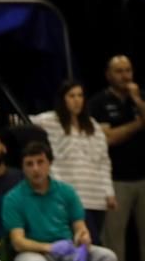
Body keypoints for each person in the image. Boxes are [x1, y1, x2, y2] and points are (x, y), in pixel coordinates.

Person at [87, 56, 145, 261]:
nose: (125, 76)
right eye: (119, 71)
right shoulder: (97, 103)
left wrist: (138, 101)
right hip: (116, 181)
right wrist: (138, 124)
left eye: (128, 70)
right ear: (108, 75)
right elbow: (108, 138)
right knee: (114, 244)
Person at [3, 142, 117, 261]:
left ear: (49, 163)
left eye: (40, 162)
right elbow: (18, 242)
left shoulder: (66, 191)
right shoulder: (13, 198)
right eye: (29, 164)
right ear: (23, 168)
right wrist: (50, 247)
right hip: (34, 251)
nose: (35, 169)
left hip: (67, 248)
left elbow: (80, 227)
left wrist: (83, 239)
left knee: (108, 257)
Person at [30, 81, 115, 244]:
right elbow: (24, 121)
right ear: (63, 99)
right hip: (70, 194)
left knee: (94, 244)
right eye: (72, 96)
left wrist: (109, 192)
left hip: (96, 195)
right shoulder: (50, 121)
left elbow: (104, 161)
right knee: (84, 243)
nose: (77, 100)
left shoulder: (93, 126)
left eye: (80, 95)